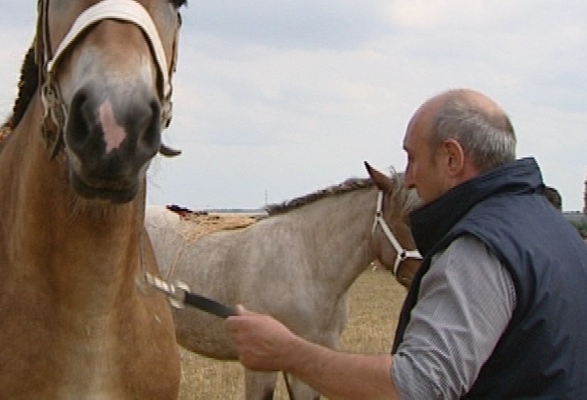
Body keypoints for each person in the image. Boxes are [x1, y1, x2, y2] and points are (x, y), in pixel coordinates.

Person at [226, 88, 587, 399]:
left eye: (412, 159)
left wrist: (289, 354)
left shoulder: (478, 249)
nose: (409, 180)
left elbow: (414, 388)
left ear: (452, 158)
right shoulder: (558, 233)